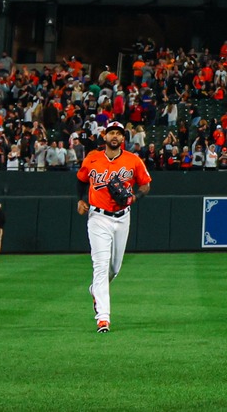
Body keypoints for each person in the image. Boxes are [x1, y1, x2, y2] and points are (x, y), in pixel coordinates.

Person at [75, 118, 150, 333]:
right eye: (111, 132)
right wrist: (80, 199)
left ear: (123, 138)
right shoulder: (92, 158)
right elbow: (80, 180)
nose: (115, 136)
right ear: (104, 136)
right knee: (100, 267)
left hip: (122, 217)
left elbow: (146, 184)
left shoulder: (133, 160)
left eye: (118, 133)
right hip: (97, 218)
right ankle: (103, 318)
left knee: (114, 268)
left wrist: (134, 197)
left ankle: (95, 290)